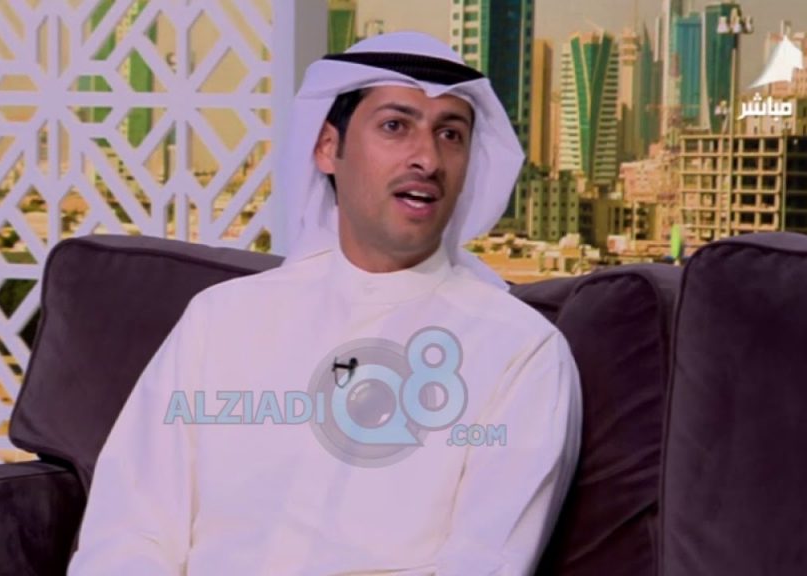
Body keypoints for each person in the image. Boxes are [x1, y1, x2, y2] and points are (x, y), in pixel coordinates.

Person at [68, 31, 582, 576]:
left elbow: (484, 563)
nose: (427, 159)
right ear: (327, 148)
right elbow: (131, 529)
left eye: (450, 134)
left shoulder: (519, 351)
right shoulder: (221, 319)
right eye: (395, 126)